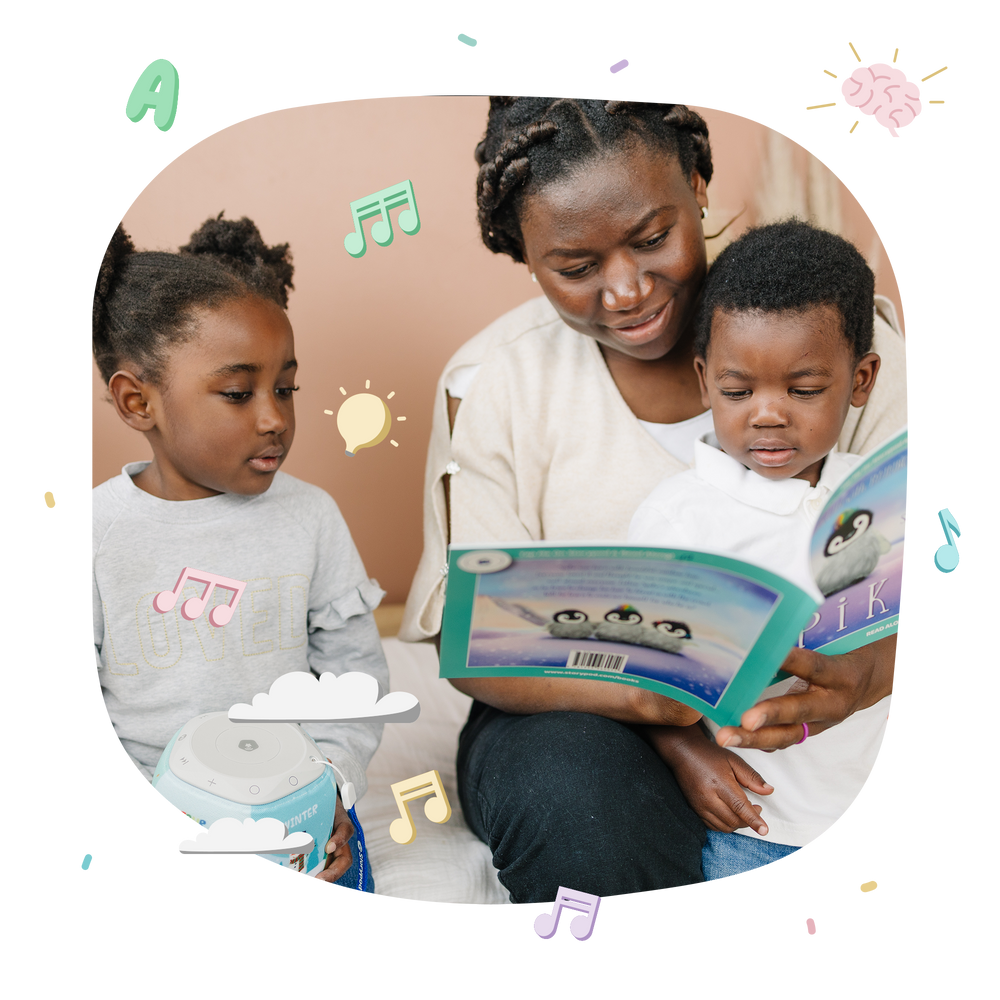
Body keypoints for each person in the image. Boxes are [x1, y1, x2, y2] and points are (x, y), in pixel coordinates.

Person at [400, 96, 907, 905]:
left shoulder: (840, 338)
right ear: (525, 259)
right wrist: (667, 728)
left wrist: (869, 673)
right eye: (575, 268)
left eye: (652, 238)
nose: (628, 289)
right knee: (579, 805)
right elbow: (475, 644)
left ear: (698, 186)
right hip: (566, 712)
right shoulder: (494, 382)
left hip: (819, 725)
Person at [89, 214, 389, 891]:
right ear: (138, 402)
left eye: (286, 388)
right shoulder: (99, 536)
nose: (274, 417)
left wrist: (333, 787)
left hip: (300, 807)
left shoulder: (309, 518)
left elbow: (355, 676)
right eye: (237, 392)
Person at [627, 219, 897, 882]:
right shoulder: (677, 515)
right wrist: (684, 750)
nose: (768, 414)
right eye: (738, 391)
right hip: (758, 821)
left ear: (860, 380)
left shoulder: (884, 497)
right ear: (703, 379)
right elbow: (637, 681)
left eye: (804, 391)